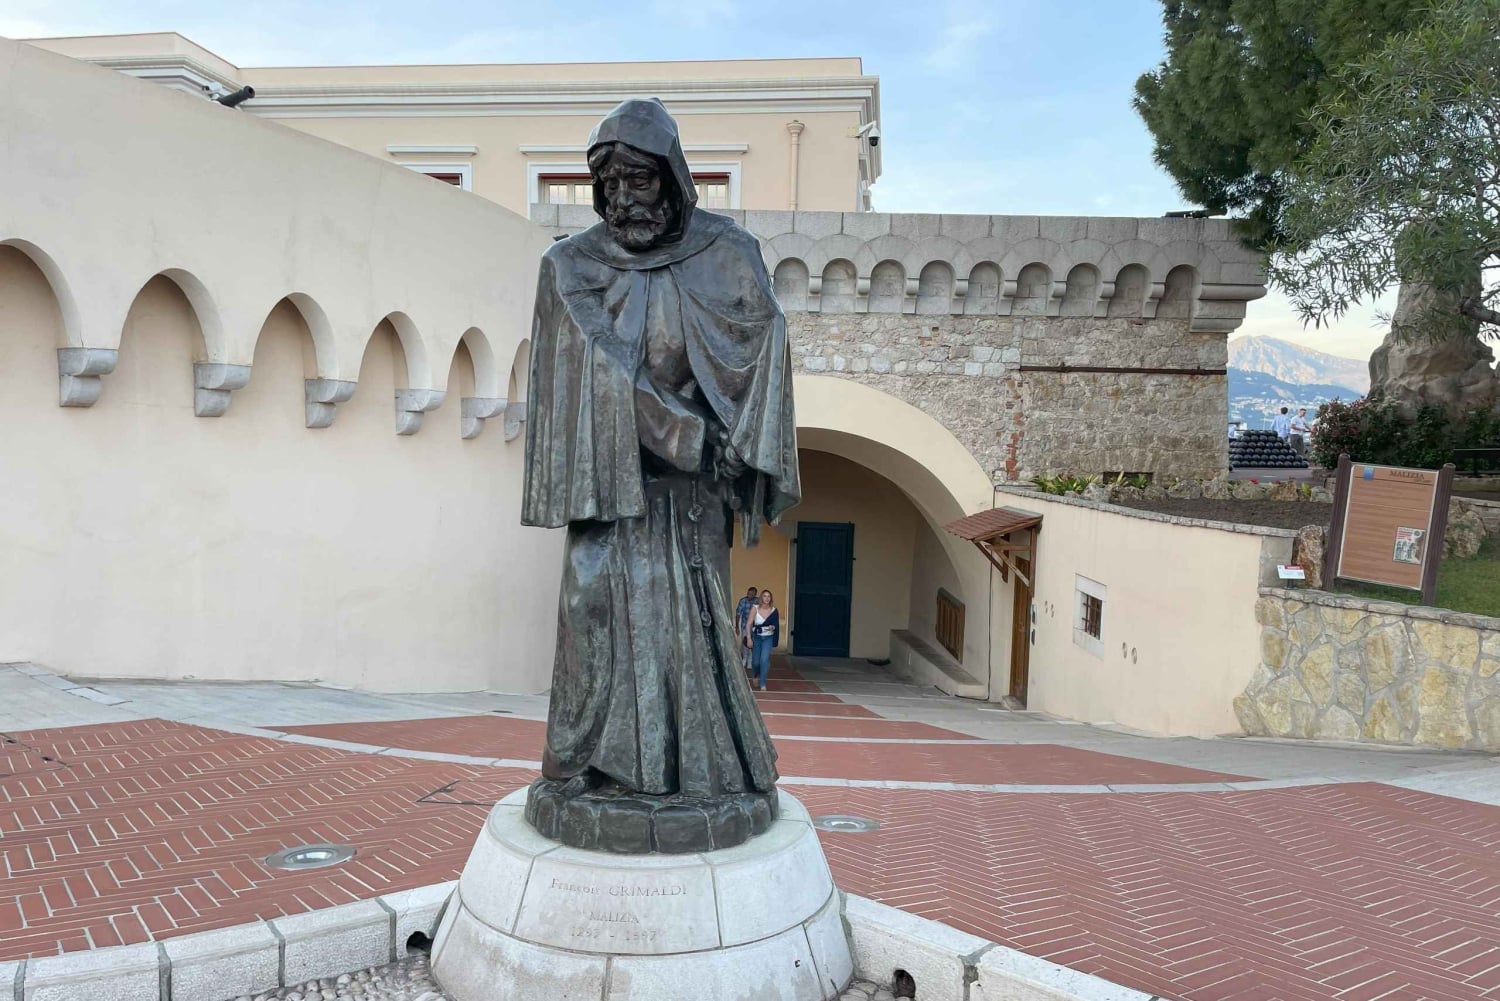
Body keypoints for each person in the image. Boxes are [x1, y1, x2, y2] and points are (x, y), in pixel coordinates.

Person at [520, 98, 801, 853]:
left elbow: (765, 343)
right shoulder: (570, 265)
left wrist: (738, 433)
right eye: (608, 185)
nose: (622, 200)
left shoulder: (728, 253)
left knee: (689, 629)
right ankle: (587, 766)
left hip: (692, 499)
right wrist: (686, 432)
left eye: (638, 181)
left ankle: (701, 776)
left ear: (673, 179)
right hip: (610, 490)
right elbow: (591, 362)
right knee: (590, 610)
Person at [745, 589, 780, 692]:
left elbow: (776, 625)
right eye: (765, 596)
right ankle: (755, 675)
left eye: (769, 596)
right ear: (761, 598)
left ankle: (763, 683)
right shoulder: (755, 608)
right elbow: (748, 624)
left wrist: (773, 627)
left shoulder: (774, 611)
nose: (767, 598)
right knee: (756, 662)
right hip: (757, 638)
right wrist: (749, 638)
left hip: (768, 638)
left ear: (771, 598)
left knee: (764, 659)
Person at [736, 585, 759, 673]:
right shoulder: (743, 601)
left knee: (753, 643)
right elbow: (738, 614)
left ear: (755, 594)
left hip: (755, 626)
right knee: (745, 642)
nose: (749, 596)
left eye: (752, 594)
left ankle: (750, 660)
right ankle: (744, 658)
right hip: (745, 625)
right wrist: (737, 627)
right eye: (748, 594)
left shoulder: (757, 601)